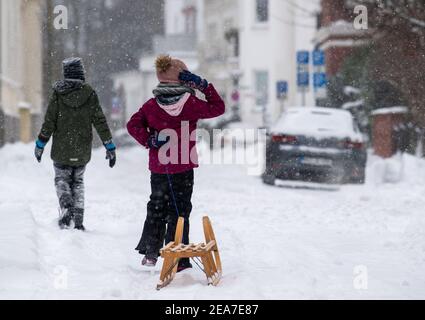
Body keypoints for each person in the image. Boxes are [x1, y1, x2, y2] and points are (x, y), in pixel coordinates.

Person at [127, 55, 225, 271]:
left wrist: (149, 140)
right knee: (180, 210)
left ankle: (151, 252)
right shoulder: (190, 103)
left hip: (160, 166)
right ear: (183, 79)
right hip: (183, 165)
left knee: (157, 205)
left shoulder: (151, 106)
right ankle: (179, 258)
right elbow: (218, 107)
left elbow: (132, 125)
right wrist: (203, 85)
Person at [35, 57, 116, 231]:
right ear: (81, 73)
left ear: (66, 74)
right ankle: (78, 219)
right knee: (78, 182)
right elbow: (100, 121)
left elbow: (49, 121)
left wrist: (40, 144)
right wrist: (109, 145)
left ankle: (66, 205)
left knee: (61, 179)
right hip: (81, 149)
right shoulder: (89, 93)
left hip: (62, 149)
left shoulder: (58, 93)